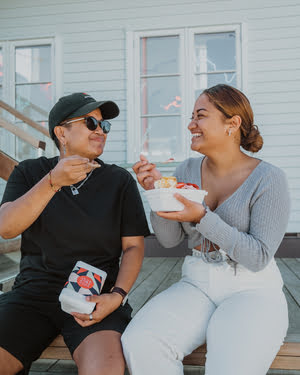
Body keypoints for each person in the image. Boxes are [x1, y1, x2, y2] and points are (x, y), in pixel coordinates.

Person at [121, 84, 290, 375]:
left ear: (232, 124)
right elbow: (170, 239)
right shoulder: (186, 171)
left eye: (200, 116)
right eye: (191, 116)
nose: (190, 125)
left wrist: (202, 217)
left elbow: (259, 257)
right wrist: (156, 192)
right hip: (197, 282)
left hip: (252, 289)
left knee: (230, 367)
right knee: (141, 340)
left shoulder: (269, 179)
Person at [0, 92, 150, 375]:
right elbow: (6, 227)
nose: (101, 131)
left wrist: (117, 296)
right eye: (90, 123)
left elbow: (133, 247)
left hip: (95, 296)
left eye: (104, 126)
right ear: (61, 132)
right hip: (33, 295)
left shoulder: (119, 180)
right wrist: (53, 182)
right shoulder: (31, 173)